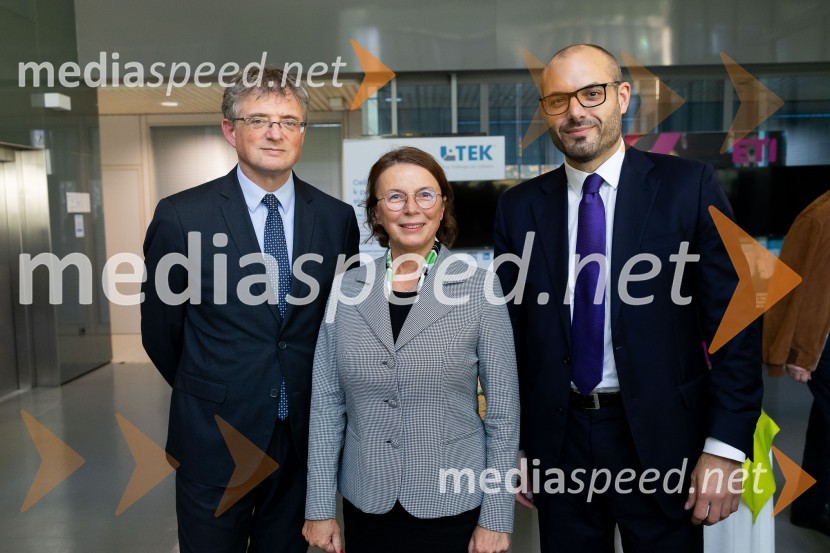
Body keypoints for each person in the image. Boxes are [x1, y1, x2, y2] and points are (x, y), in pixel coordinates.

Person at [493, 44, 763, 552]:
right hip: (560, 443)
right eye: (557, 100)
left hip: (665, 442)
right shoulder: (519, 208)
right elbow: (512, 339)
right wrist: (518, 444)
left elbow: (736, 321)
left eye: (590, 94)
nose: (575, 111)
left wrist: (725, 448)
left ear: (621, 97)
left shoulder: (690, 186)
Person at [141, 67, 360, 552]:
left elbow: (336, 324)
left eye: (289, 120)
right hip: (214, 435)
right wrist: (212, 386)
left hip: (303, 436)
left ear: (303, 133)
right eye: (258, 119)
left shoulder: (335, 219)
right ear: (230, 130)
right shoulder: (181, 217)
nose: (275, 132)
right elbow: (160, 330)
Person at [302, 147, 520, 553]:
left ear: (443, 206)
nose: (411, 209)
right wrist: (318, 506)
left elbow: (504, 413)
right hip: (367, 500)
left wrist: (496, 516)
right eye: (395, 197)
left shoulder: (479, 288)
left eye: (425, 194)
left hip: (452, 500)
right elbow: (327, 404)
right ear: (376, 213)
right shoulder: (347, 288)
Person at [763, 190, 830, 538]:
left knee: (824, 426)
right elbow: (802, 289)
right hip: (823, 344)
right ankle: (810, 506)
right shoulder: (820, 218)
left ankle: (809, 506)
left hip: (823, 341)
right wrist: (799, 355)